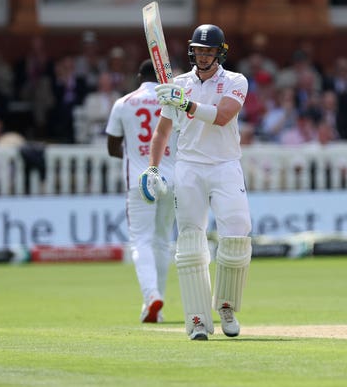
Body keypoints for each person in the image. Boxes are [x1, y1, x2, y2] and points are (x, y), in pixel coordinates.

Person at [140, 24, 252, 341]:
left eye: (209, 51)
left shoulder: (235, 81)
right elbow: (162, 132)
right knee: (190, 242)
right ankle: (198, 319)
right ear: (193, 51)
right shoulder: (178, 85)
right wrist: (152, 168)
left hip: (226, 165)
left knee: (238, 234)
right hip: (189, 166)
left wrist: (185, 103)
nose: (203, 56)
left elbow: (222, 116)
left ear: (220, 53)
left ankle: (226, 305)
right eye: (199, 50)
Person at [105, 59, 178, 324]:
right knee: (162, 241)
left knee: (141, 241)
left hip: (140, 179)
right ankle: (153, 306)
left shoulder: (124, 103)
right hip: (171, 178)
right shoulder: (173, 101)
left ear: (139, 76)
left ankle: (151, 297)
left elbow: (112, 147)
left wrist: (135, 151)